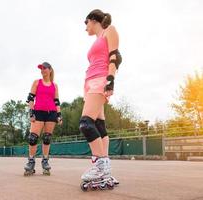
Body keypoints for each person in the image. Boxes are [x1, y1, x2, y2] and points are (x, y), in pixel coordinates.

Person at [79, 9, 122, 190]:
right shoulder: (96, 40)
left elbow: (115, 56)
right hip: (90, 83)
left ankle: (100, 166)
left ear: (93, 20)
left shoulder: (109, 30)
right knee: (99, 126)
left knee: (85, 123)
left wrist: (110, 80)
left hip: (100, 80)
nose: (85, 28)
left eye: (86, 23)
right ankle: (106, 170)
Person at [24, 62, 62, 176]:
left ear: (50, 70)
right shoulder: (36, 82)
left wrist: (59, 115)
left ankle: (45, 161)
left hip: (51, 113)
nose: (42, 70)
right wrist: (31, 112)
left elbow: (56, 101)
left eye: (44, 68)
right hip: (38, 112)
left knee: (47, 138)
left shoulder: (54, 85)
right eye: (41, 68)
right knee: (33, 138)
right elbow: (30, 98)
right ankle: (31, 162)